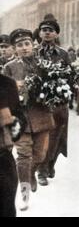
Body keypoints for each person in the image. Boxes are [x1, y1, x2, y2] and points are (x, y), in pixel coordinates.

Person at [4, 29, 55, 210]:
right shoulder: (9, 68)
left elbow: (53, 88)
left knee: (40, 155)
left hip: (41, 116)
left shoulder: (44, 64)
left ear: (33, 44)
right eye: (19, 45)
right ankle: (24, 194)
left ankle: (31, 173)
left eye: (27, 44)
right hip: (20, 119)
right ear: (14, 48)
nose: (24, 48)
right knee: (23, 157)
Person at [36, 14, 71, 186]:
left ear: (56, 34)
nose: (47, 33)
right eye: (44, 30)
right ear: (40, 33)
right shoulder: (35, 53)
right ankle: (41, 170)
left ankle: (51, 163)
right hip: (41, 103)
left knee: (58, 136)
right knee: (44, 136)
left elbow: (70, 75)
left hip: (60, 102)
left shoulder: (64, 54)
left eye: (51, 30)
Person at [0, 74, 23, 217]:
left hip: (2, 158)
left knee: (6, 208)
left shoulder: (6, 84)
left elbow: (19, 114)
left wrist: (14, 123)